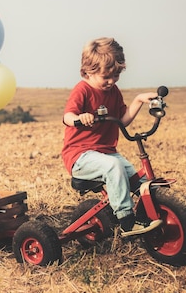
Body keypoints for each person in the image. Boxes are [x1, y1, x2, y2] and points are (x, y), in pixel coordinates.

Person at [61, 37, 163, 237]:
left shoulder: (114, 92)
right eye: (106, 77)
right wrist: (80, 118)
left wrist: (139, 100)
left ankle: (171, 208)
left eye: (116, 76)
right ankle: (126, 220)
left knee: (137, 178)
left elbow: (122, 120)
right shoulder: (82, 90)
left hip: (106, 153)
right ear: (88, 71)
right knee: (114, 167)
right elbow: (67, 116)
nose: (111, 81)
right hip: (80, 156)